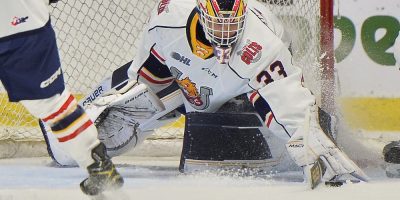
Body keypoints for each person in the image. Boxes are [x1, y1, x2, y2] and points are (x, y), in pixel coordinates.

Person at [44, 0, 368, 187]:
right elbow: (145, 75)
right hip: (186, 79)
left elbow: (287, 98)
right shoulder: (166, 20)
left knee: (298, 133)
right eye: (218, 24)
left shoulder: (262, 45)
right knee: (70, 147)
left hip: (242, 86)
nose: (226, 34)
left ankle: (324, 133)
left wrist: (308, 136)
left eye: (232, 25)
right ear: (200, 13)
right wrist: (125, 103)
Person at [0, 0, 123, 196]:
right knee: (54, 105)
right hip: (27, 25)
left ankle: (98, 166)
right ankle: (98, 165)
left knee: (54, 105)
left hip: (23, 27)